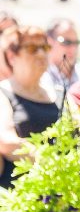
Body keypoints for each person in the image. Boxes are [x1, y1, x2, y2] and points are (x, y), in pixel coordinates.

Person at [0, 25, 60, 188]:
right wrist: (49, 162)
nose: (41, 54)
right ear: (12, 56)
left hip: (65, 192)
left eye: (45, 47)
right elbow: (5, 141)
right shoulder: (3, 93)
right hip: (23, 196)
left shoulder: (60, 94)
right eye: (32, 48)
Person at [43, 18, 80, 106]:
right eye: (66, 42)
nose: (73, 48)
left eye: (76, 42)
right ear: (49, 42)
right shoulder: (41, 77)